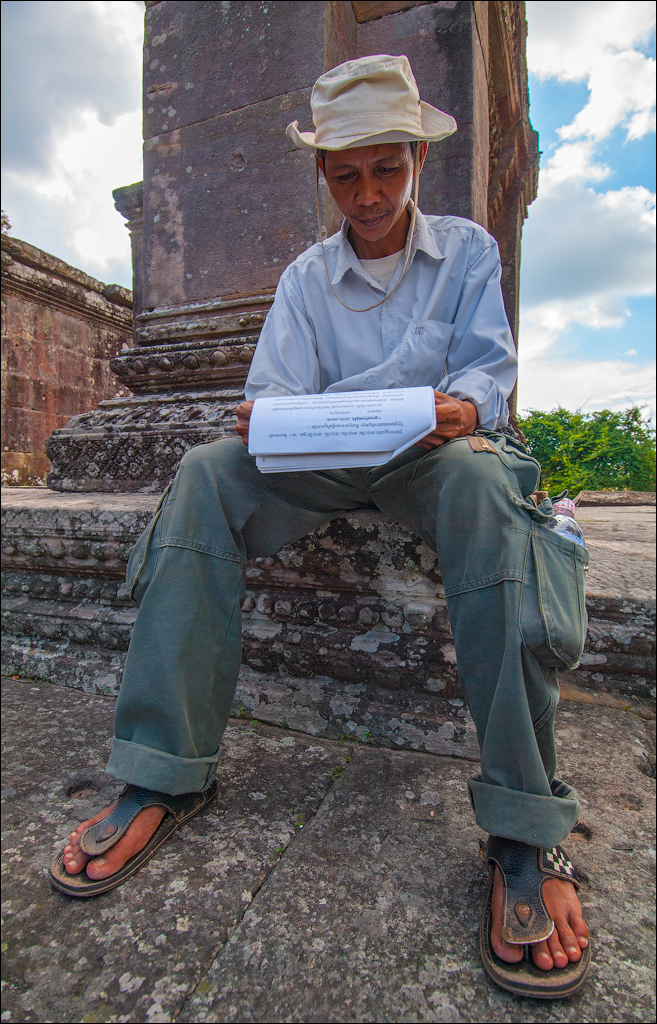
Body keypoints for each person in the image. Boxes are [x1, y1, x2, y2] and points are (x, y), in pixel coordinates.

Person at [51, 55, 590, 999]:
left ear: (417, 158)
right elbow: (275, 393)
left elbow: (485, 374)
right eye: (345, 175)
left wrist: (460, 409)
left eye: (386, 168)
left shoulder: (466, 252)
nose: (368, 194)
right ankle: (163, 770)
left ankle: (523, 827)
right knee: (205, 472)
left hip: (439, 455)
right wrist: (267, 421)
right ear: (321, 175)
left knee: (484, 494)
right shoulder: (306, 277)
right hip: (328, 459)